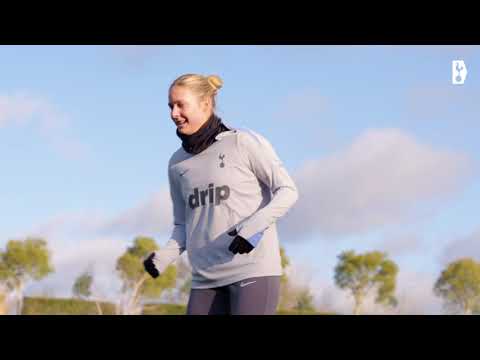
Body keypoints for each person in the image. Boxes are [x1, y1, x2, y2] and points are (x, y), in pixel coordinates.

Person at [143, 73, 298, 315]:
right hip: (205, 278)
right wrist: (163, 257)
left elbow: (287, 191)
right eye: (170, 106)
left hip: (252, 271)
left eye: (180, 105)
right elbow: (184, 224)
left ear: (205, 103)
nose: (174, 113)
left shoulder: (243, 143)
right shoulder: (177, 163)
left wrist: (252, 228)